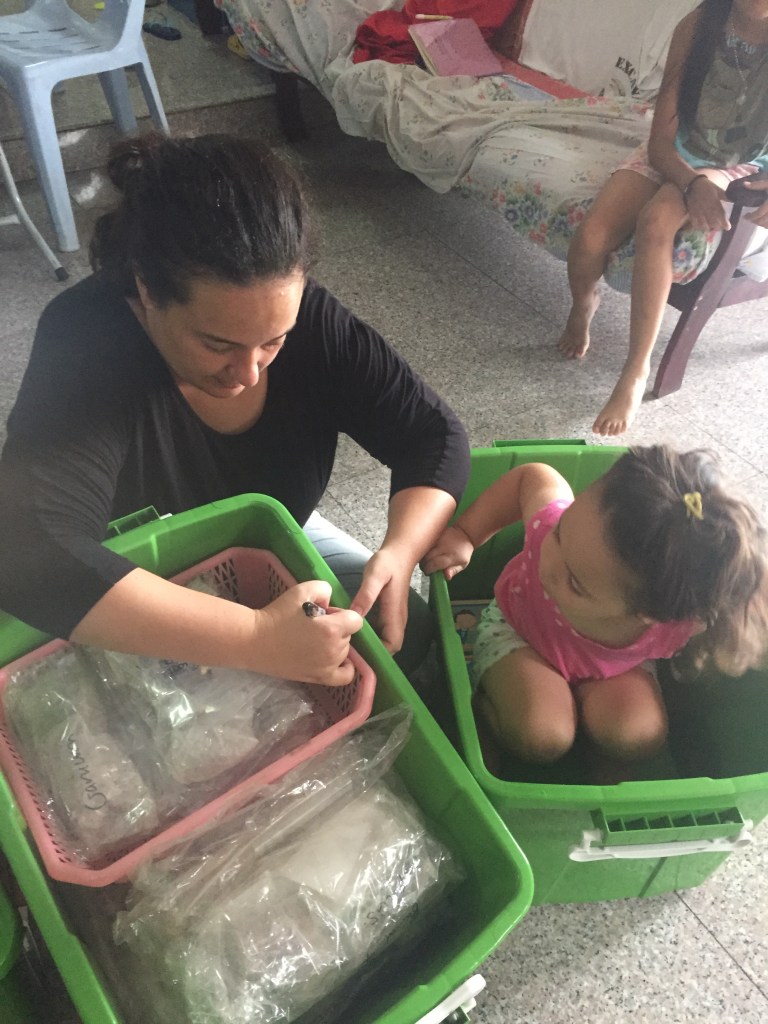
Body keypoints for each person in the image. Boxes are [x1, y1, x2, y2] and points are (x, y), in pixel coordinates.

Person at [0, 133, 470, 686]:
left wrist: (399, 551)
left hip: (267, 543)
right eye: (217, 345)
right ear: (148, 291)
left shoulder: (308, 321)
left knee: (409, 650)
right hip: (127, 586)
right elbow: (31, 552)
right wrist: (255, 639)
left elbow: (431, 434)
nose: (249, 373)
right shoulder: (87, 338)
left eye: (274, 341)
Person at [422, 445, 768, 771]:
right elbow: (533, 476)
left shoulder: (680, 618)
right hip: (522, 634)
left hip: (616, 666)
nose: (547, 559)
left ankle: (599, 753)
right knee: (541, 737)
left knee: (640, 736)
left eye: (576, 583)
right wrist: (466, 533)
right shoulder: (551, 525)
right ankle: (484, 715)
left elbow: (744, 590)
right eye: (561, 531)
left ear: (648, 615)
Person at [559, 0, 768, 436]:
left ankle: (635, 371)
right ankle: (584, 306)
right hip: (677, 154)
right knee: (590, 239)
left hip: (735, 162)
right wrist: (690, 182)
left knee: (657, 221)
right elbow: (660, 143)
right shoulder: (698, 24)